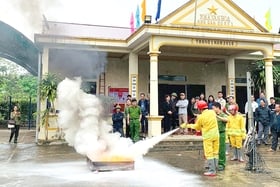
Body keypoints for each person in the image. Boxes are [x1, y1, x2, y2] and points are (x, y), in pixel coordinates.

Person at [180, 100, 219, 176]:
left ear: (199, 109)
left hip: (208, 136)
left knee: (209, 153)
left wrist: (186, 125)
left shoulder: (201, 117)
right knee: (215, 152)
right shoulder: (212, 112)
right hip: (216, 135)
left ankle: (212, 171)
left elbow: (197, 127)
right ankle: (215, 168)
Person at [212, 102, 228, 171]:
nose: (212, 110)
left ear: (217, 108)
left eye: (213, 108)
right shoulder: (212, 115)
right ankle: (214, 163)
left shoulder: (223, 114)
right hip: (214, 134)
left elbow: (226, 120)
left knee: (221, 150)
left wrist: (217, 117)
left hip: (221, 133)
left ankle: (221, 164)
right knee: (214, 149)